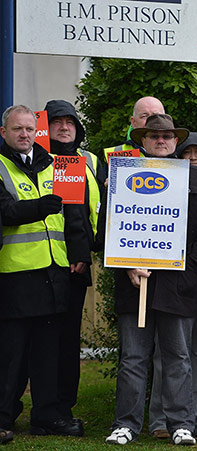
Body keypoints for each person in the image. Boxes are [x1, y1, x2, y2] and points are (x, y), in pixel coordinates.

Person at [104, 114, 197, 446]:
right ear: (142, 141)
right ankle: (126, 425)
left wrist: (187, 263)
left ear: (176, 142)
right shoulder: (121, 176)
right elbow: (108, 230)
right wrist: (127, 266)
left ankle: (182, 424)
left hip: (177, 286)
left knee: (178, 358)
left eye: (167, 136)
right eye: (154, 136)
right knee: (132, 358)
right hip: (134, 284)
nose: (161, 140)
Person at [0, 105, 90, 440]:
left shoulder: (58, 164)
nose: (24, 135)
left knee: (49, 350)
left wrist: (80, 254)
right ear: (4, 132)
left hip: (55, 271)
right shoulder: (0, 165)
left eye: (29, 129)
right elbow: (4, 210)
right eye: (17, 129)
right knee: (11, 352)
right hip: (15, 273)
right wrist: (36, 207)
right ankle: (3, 416)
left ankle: (47, 415)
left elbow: (75, 212)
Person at [147, 132, 197, 441]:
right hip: (173, 284)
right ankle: (160, 420)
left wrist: (193, 260)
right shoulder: (170, 186)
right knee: (166, 354)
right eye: (186, 152)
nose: (192, 157)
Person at [44, 99, 106, 425]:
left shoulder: (90, 161)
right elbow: (66, 214)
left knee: (68, 340)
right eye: (57, 122)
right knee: (46, 339)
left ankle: (62, 407)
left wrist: (83, 256)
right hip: (45, 265)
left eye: (70, 121)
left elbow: (85, 212)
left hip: (77, 265)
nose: (65, 127)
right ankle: (48, 408)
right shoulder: (40, 160)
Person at [103, 96, 165, 160]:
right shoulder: (114, 155)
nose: (151, 120)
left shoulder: (175, 154)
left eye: (156, 116)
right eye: (144, 116)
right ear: (134, 122)